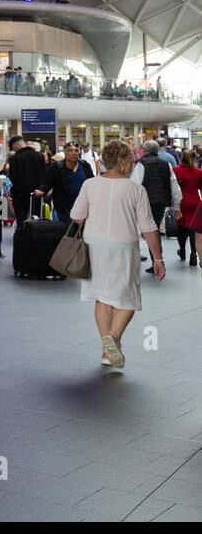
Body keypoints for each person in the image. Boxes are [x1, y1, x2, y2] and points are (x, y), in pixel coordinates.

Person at [69, 140, 165, 369]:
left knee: (102, 296)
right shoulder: (135, 189)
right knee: (128, 296)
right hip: (124, 246)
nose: (133, 162)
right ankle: (113, 337)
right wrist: (158, 258)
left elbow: (77, 216)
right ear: (122, 162)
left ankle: (106, 352)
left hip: (94, 246)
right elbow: (148, 226)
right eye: (131, 158)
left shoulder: (90, 184)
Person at [129, 140, 181, 271]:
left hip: (145, 202)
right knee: (155, 229)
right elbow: (174, 186)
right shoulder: (166, 164)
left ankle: (152, 260)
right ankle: (156, 260)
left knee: (144, 230)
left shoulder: (141, 163)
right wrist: (176, 206)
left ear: (145, 150)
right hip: (161, 202)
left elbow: (134, 185)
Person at [41, 142, 94, 225]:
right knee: (69, 231)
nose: (73, 153)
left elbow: (92, 183)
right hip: (65, 208)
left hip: (83, 207)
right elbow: (47, 183)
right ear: (65, 152)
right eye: (70, 150)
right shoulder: (56, 167)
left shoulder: (85, 166)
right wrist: (41, 191)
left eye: (76, 150)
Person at [6, 135, 46, 224]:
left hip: (20, 196)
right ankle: (36, 236)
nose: (13, 150)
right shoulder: (40, 156)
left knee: (21, 220)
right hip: (36, 194)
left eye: (12, 148)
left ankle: (22, 236)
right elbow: (44, 175)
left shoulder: (15, 158)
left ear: (16, 145)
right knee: (36, 218)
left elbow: (12, 177)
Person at [173, 149, 202, 266]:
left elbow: (173, 186)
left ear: (181, 159)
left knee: (181, 227)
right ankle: (193, 255)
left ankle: (182, 251)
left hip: (180, 202)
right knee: (193, 229)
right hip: (195, 202)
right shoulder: (199, 172)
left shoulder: (175, 170)